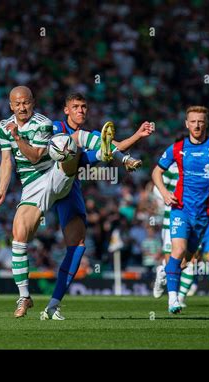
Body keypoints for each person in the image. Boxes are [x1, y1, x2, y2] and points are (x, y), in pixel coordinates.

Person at [0, 86, 117, 318]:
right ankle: (24, 297)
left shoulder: (43, 123)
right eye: (17, 104)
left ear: (33, 102)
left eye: (26, 102)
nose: (22, 107)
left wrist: (17, 135)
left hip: (52, 174)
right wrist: (1, 190)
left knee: (68, 144)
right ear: (10, 106)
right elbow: (6, 160)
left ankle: (98, 151)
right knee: (18, 238)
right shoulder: (3, 126)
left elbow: (36, 156)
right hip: (31, 186)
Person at [42, 92, 154, 320]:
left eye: (84, 107)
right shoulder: (54, 128)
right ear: (66, 110)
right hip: (44, 184)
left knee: (78, 245)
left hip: (69, 188)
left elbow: (116, 146)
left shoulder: (91, 135)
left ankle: (52, 306)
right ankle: (23, 295)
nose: (81, 110)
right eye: (76, 107)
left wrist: (136, 138)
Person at [152, 106, 209, 314]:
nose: (197, 125)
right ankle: (173, 300)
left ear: (206, 123)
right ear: (187, 124)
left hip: (204, 215)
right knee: (178, 250)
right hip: (180, 209)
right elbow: (157, 172)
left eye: (200, 121)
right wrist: (165, 193)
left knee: (186, 261)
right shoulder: (177, 148)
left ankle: (164, 271)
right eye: (193, 121)